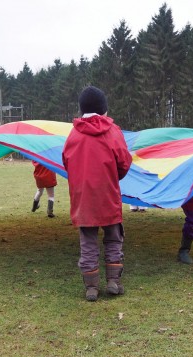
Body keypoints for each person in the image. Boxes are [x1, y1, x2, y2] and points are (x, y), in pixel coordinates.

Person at [62, 86, 132, 302]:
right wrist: (112, 177)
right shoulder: (113, 132)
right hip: (108, 195)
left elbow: (67, 162)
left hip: (83, 198)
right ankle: (113, 281)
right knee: (113, 239)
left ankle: (91, 287)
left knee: (88, 241)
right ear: (104, 110)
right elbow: (124, 162)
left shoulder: (74, 134)